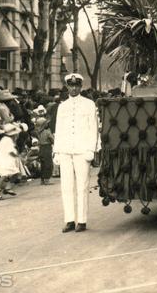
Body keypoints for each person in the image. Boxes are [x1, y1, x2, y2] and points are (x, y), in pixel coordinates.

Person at [54, 73, 99, 233]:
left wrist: (91, 149)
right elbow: (58, 130)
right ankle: (69, 220)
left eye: (76, 86)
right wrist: (56, 151)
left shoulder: (89, 104)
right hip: (65, 150)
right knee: (66, 187)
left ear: (80, 87)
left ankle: (82, 220)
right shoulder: (62, 106)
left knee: (82, 186)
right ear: (67, 87)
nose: (73, 88)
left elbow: (94, 128)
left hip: (82, 150)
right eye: (71, 86)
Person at [0, 122, 21, 201]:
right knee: (4, 175)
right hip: (3, 160)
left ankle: (7, 188)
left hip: (6, 159)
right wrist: (17, 156)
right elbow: (10, 152)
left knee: (16, 173)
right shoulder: (7, 140)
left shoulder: (7, 140)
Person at [36, 116, 54, 185]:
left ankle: (42, 179)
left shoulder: (38, 132)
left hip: (41, 147)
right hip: (47, 147)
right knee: (48, 164)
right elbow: (52, 139)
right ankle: (47, 179)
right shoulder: (47, 132)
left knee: (43, 164)